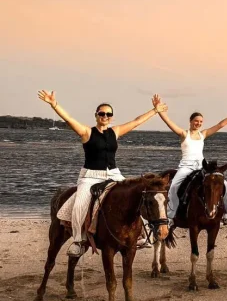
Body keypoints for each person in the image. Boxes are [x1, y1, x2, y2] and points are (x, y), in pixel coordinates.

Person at [37, 90, 165, 257]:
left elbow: (136, 122)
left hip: (113, 174)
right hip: (90, 176)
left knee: (136, 195)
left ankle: (139, 235)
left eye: (108, 114)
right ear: (96, 115)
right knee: (80, 204)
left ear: (111, 116)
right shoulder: (86, 132)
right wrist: (54, 104)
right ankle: (78, 240)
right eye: (102, 113)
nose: (105, 116)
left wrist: (155, 111)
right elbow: (68, 119)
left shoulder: (115, 131)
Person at [151, 94, 227, 224]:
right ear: (190, 121)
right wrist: (158, 110)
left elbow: (220, 125)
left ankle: (225, 213)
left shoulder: (203, 134)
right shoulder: (184, 134)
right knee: (173, 187)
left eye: (200, 122)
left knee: (225, 185)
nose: (198, 123)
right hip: (186, 167)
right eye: (196, 121)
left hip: (201, 167)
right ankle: (171, 215)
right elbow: (169, 123)